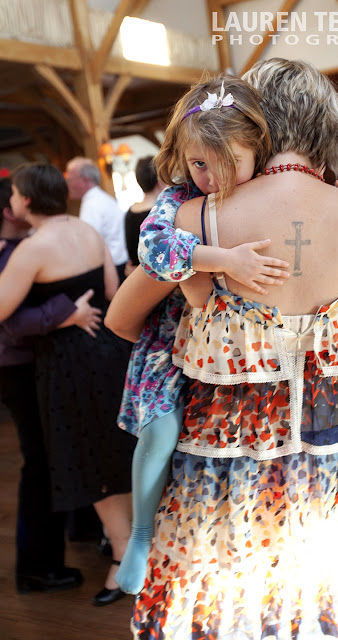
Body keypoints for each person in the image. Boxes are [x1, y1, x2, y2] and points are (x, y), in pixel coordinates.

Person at [107, 60, 338, 639]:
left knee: (222, 612)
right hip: (328, 469)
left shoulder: (198, 216)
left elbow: (120, 318)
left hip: (226, 474)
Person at [0, 164, 136, 606]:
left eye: (15, 193)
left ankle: (123, 558)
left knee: (91, 461)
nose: (12, 201)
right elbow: (113, 291)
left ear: (26, 200)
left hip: (69, 364)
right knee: (118, 451)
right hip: (109, 351)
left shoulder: (32, 248)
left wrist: (59, 314)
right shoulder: (87, 231)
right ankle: (131, 546)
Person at [66, 157, 128, 281]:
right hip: (120, 265)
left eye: (70, 180)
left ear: (85, 180)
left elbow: (87, 246)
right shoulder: (102, 198)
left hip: (113, 270)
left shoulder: (92, 205)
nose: (68, 185)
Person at [124, 156, 164, 278]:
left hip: (135, 277)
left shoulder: (130, 212)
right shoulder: (161, 212)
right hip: (155, 277)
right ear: (160, 179)